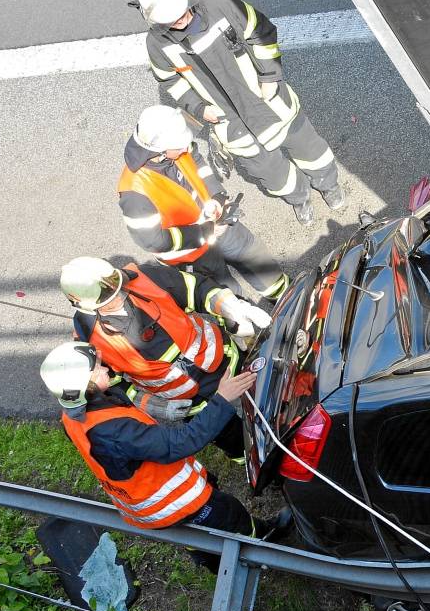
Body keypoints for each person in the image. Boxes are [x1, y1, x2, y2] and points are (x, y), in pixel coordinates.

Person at [134, 0, 345, 226]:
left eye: (181, 12)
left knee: (309, 148)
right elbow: (170, 81)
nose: (180, 19)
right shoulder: (157, 44)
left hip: (268, 100)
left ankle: (328, 184)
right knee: (270, 172)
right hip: (230, 122)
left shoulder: (221, 5)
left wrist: (269, 77)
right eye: (171, 19)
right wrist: (199, 109)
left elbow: (263, 33)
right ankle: (299, 198)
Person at [38, 341, 283, 546]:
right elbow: (179, 443)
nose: (104, 369)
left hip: (148, 504)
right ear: (84, 387)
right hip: (171, 504)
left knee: (198, 539)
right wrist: (222, 400)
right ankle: (264, 542)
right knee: (229, 515)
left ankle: (209, 557)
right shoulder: (113, 431)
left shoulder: (74, 415)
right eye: (96, 370)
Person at [60, 257, 268, 454]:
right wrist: (152, 405)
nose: (119, 295)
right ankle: (261, 464)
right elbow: (109, 383)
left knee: (267, 400)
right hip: (191, 402)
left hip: (227, 364)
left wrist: (233, 307)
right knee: (232, 439)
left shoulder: (144, 278)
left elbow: (196, 288)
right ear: (83, 305)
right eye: (109, 298)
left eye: (117, 284)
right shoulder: (88, 337)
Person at [120, 104, 288, 301]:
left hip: (218, 221)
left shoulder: (177, 146)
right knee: (227, 294)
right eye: (180, 145)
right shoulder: (135, 193)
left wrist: (216, 196)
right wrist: (205, 231)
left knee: (254, 258)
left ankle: (285, 297)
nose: (186, 147)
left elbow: (199, 164)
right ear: (159, 151)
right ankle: (247, 325)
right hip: (194, 254)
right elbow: (154, 241)